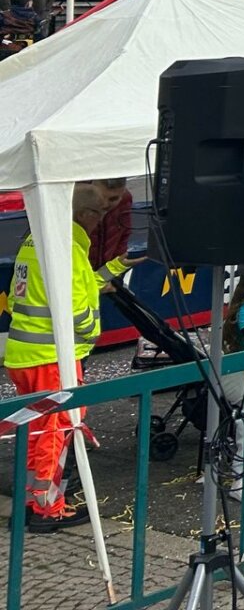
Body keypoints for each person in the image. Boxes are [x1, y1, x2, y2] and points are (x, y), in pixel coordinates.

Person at [3, 184, 132, 530]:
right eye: (100, 215)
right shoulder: (71, 249)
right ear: (83, 215)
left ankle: (33, 501)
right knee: (56, 432)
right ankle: (49, 509)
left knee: (35, 430)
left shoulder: (34, 244)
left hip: (23, 356)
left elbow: (66, 287)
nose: (100, 222)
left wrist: (116, 265)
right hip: (53, 357)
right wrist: (91, 334)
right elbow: (79, 309)